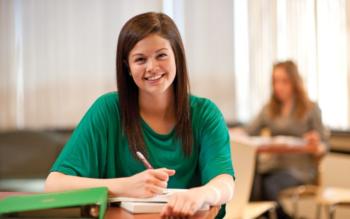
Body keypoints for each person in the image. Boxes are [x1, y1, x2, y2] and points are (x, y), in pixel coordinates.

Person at [45, 12, 235, 218]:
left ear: (177, 57)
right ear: (127, 66)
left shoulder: (205, 114)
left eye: (161, 55)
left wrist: (202, 193)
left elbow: (225, 182)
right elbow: (54, 184)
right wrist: (126, 185)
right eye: (140, 59)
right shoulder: (108, 110)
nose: (152, 67)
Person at [246, 60, 328, 219]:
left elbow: (324, 145)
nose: (279, 86)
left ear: (294, 82)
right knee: (252, 183)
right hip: (272, 166)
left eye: (284, 81)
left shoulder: (310, 108)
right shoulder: (269, 109)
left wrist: (316, 144)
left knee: (269, 186)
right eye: (275, 81)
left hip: (300, 169)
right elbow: (249, 131)